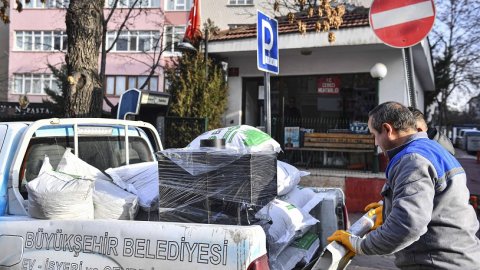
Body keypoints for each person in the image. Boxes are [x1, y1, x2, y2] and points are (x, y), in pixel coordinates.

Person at [328, 101, 480, 269]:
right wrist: (387, 208)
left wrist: (359, 245)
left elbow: (407, 226)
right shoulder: (433, 149)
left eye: (374, 135)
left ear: (387, 129)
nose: (376, 143)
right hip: (458, 257)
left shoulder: (412, 160)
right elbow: (432, 201)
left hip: (437, 263)